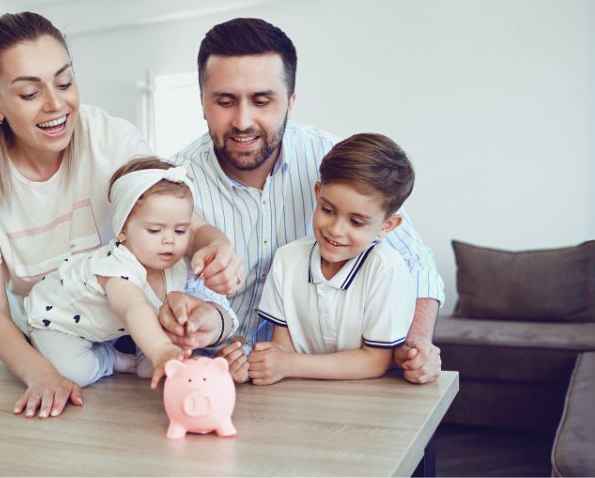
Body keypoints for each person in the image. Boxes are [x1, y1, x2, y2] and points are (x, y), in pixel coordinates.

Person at [0, 12, 243, 420]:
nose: (56, 104)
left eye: (65, 82)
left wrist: (215, 245)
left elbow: (183, 224)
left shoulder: (112, 139)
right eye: (30, 94)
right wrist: (42, 375)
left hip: (128, 328)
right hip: (54, 335)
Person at [165, 18, 445, 384]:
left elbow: (416, 262)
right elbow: (177, 291)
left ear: (290, 102)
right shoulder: (173, 182)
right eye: (225, 101)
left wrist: (418, 341)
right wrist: (211, 336)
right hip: (211, 380)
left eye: (262, 101)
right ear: (203, 102)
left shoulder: (331, 159)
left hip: (320, 380)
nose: (243, 121)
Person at [23, 158, 235, 388]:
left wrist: (178, 341)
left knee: (148, 369)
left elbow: (158, 313)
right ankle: (109, 359)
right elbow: (133, 307)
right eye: (155, 230)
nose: (169, 240)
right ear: (122, 229)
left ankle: (138, 355)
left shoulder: (177, 268)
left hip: (111, 327)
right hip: (56, 322)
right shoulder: (117, 266)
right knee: (75, 373)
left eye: (181, 230)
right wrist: (162, 350)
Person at [244, 133, 415, 384]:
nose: (335, 229)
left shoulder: (386, 269)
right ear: (317, 192)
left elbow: (375, 360)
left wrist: (289, 364)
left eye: (356, 222)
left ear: (387, 225)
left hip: (366, 402)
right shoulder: (287, 259)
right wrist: (263, 362)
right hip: (300, 397)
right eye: (327, 210)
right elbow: (283, 345)